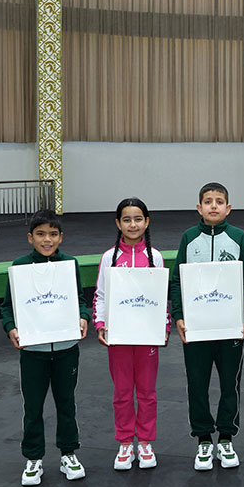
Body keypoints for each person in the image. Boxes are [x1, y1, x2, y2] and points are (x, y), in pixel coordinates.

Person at [169, 182, 244, 471]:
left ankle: (227, 436)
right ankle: (204, 438)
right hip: (196, 329)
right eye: (208, 201)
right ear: (199, 208)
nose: (214, 206)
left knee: (231, 383)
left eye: (220, 201)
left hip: (231, 328)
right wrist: (179, 316)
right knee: (197, 384)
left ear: (228, 208)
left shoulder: (239, 237)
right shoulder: (189, 238)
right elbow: (177, 280)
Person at [0, 210, 90, 486]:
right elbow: (7, 307)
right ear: (30, 238)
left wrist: (83, 317)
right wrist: (11, 327)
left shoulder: (70, 264)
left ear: (61, 236)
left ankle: (68, 452)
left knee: (66, 402)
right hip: (33, 352)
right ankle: (34, 458)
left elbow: (79, 299)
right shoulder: (20, 266)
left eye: (53, 234)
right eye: (40, 234)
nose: (47, 239)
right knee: (33, 405)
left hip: (65, 349)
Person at [93, 198, 169, 471]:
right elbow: (100, 295)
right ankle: (125, 441)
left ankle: (145, 441)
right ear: (118, 223)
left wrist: (164, 326)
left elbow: (162, 296)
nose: (133, 224)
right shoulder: (108, 257)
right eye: (127, 219)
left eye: (138, 219)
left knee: (147, 392)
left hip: (147, 337)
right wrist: (101, 324)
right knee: (123, 392)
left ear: (146, 222)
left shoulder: (155, 257)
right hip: (120, 338)